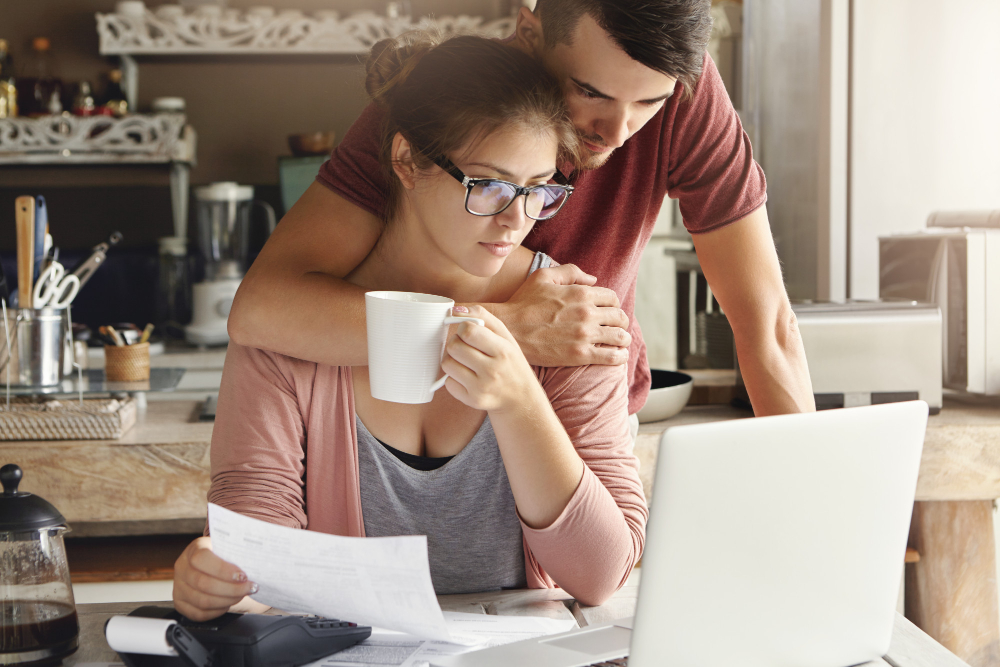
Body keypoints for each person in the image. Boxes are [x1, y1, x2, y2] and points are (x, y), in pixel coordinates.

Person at [173, 35, 647, 623]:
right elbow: (256, 546)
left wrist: (520, 399)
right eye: (489, 185)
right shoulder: (295, 332)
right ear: (406, 161)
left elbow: (601, 575)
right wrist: (213, 577)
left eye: (538, 190)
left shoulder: (572, 322)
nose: (515, 219)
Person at [226, 0, 816, 428]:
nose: (618, 132)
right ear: (530, 31)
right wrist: (506, 326)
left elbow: (766, 326)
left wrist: (811, 507)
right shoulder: (441, 103)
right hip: (431, 418)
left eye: (649, 104)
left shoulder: (682, 90)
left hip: (593, 419)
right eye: (590, 92)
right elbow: (265, 307)